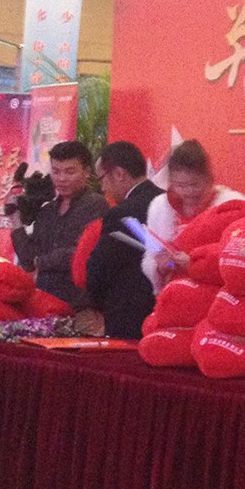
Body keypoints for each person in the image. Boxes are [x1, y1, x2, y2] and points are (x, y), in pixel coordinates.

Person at [9, 140, 108, 310]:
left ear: (86, 171)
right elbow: (27, 261)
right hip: (44, 305)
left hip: (81, 308)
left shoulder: (97, 205)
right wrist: (15, 218)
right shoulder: (47, 210)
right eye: (56, 171)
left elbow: (79, 253)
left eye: (70, 172)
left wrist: (41, 261)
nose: (61, 179)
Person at [141, 139, 245, 291]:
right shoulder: (160, 208)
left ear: (208, 178)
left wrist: (197, 265)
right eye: (180, 186)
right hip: (174, 294)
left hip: (216, 294)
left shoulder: (231, 206)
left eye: (194, 184)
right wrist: (161, 267)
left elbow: (242, 259)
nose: (188, 192)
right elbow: (150, 258)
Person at [84, 141, 163, 340]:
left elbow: (100, 268)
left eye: (101, 179)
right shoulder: (166, 201)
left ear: (119, 174)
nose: (103, 188)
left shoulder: (122, 213)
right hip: (166, 312)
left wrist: (96, 304)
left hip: (130, 316)